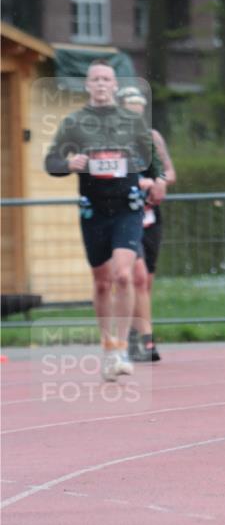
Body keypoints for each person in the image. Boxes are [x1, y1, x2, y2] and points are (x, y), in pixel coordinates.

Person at [45, 60, 166, 380]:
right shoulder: (74, 122)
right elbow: (51, 161)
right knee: (102, 281)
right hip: (93, 210)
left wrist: (158, 180)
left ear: (114, 85)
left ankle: (123, 347)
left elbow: (152, 161)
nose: (100, 84)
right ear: (87, 85)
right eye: (95, 79)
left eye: (106, 79)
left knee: (124, 275)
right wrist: (71, 163)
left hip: (127, 207)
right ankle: (108, 346)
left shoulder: (131, 121)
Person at [116, 86, 177, 362]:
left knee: (146, 281)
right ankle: (143, 340)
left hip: (149, 215)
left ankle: (136, 333)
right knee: (133, 277)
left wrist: (159, 182)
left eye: (139, 112)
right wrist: (137, 182)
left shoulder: (151, 138)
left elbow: (168, 171)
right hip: (122, 215)